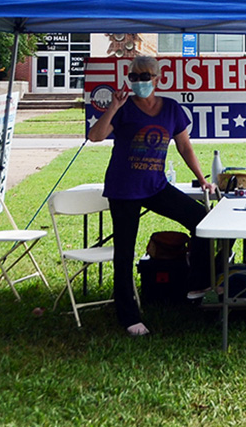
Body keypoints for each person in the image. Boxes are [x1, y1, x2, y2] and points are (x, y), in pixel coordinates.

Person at [87, 55, 218, 336]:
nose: (139, 82)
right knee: (124, 251)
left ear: (157, 79)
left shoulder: (170, 109)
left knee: (201, 220)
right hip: (123, 190)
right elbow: (95, 136)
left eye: (145, 77)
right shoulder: (123, 108)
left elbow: (185, 147)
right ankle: (128, 316)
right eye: (134, 77)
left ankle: (197, 286)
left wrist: (202, 180)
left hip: (156, 185)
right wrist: (112, 108)